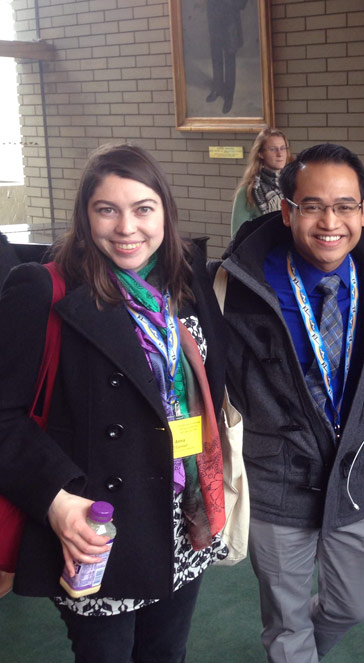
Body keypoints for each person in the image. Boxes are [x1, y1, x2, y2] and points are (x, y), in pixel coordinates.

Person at [0, 143, 227, 662]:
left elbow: (214, 378)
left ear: (165, 213)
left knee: (167, 652)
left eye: (143, 209)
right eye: (108, 210)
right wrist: (56, 501)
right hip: (96, 526)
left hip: (181, 517)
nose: (127, 228)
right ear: (86, 215)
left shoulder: (184, 278)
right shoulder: (43, 289)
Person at [216, 143, 364, 663]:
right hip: (278, 477)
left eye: (345, 206)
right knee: (285, 622)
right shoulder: (239, 284)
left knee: (352, 604)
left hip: (356, 476)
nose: (330, 221)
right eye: (312, 205)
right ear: (286, 209)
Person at [231, 127, 291, 236]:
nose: (280, 154)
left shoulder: (294, 184)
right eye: (273, 149)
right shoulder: (248, 191)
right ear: (260, 153)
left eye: (283, 148)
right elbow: (237, 237)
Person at [205, 0, 247, 114]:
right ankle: (217, 88)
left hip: (230, 15)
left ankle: (229, 96)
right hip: (214, 14)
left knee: (230, 54)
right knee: (216, 54)